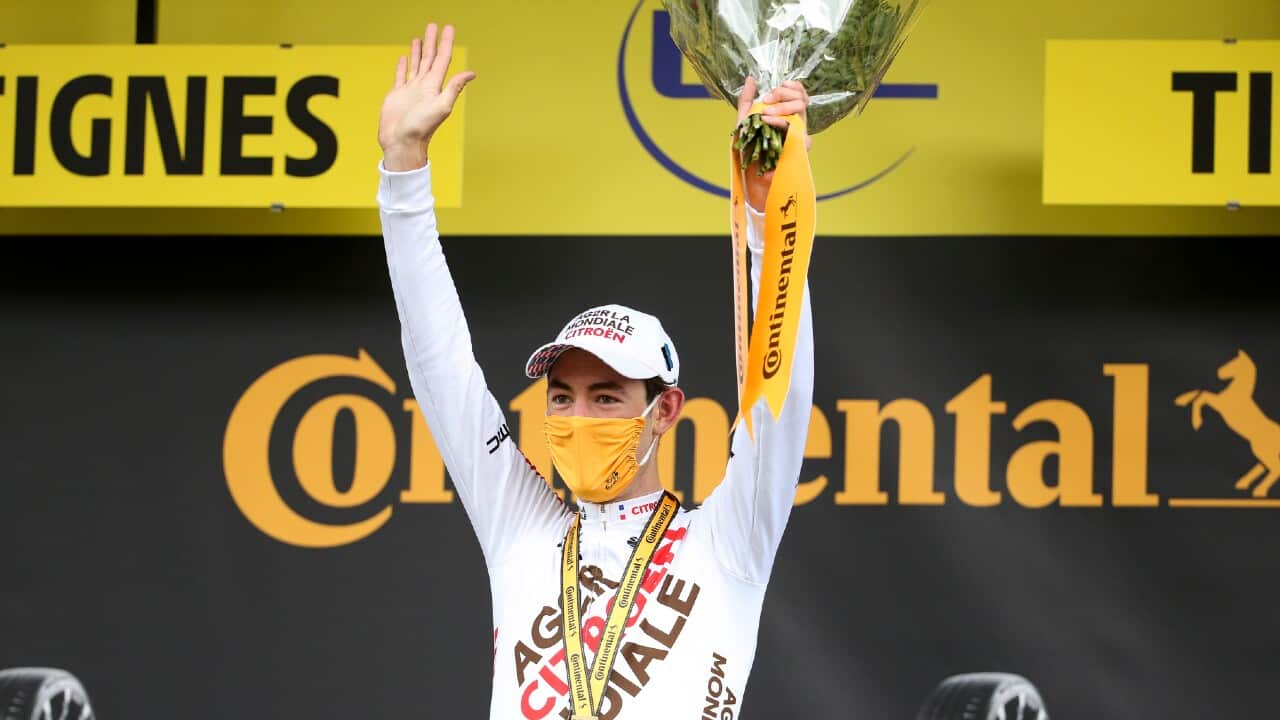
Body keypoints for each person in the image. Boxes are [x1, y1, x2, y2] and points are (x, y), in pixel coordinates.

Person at [377, 23, 814, 720]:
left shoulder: (726, 543)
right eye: (562, 397)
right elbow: (441, 366)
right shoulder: (522, 527)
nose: (577, 418)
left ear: (663, 410)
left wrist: (770, 213)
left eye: (606, 397)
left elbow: (778, 394)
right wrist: (403, 170)